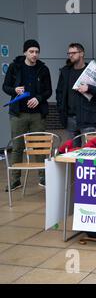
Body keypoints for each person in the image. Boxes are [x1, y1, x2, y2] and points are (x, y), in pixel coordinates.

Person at [2, 39, 52, 191]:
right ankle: (15, 180)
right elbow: (5, 86)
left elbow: (48, 91)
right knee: (17, 147)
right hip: (18, 114)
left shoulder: (43, 69)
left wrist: (39, 98)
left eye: (37, 52)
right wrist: (15, 90)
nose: (34, 54)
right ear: (25, 52)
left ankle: (43, 178)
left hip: (37, 114)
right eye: (31, 51)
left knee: (39, 147)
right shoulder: (14, 67)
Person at [55, 43, 96, 146]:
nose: (70, 55)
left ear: (81, 53)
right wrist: (60, 107)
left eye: (73, 53)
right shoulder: (65, 71)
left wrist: (89, 88)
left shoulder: (92, 71)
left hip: (87, 117)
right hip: (70, 119)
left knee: (90, 150)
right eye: (69, 53)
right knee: (73, 153)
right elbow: (59, 92)